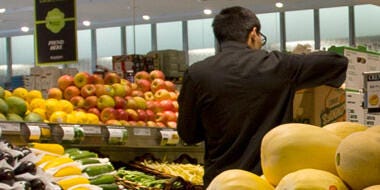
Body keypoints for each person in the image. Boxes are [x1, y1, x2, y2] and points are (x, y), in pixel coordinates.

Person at [176, 6, 348, 188]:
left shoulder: (196, 74)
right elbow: (337, 63)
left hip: (220, 182)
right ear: (253, 33)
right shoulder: (279, 66)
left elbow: (188, 134)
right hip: (267, 182)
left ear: (220, 39)